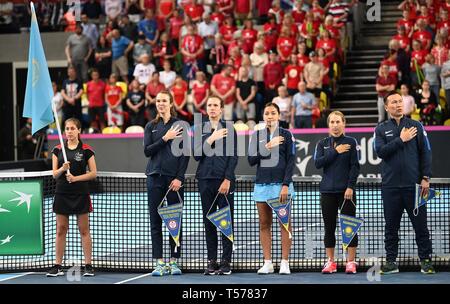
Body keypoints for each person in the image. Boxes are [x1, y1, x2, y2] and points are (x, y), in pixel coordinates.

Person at [374, 91, 435, 275]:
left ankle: (425, 261)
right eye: (393, 102)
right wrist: (401, 139)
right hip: (390, 187)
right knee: (391, 228)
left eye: (400, 101)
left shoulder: (416, 126)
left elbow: (426, 153)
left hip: (414, 187)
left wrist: (425, 178)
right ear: (386, 107)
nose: (398, 104)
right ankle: (391, 262)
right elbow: (381, 152)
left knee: (421, 227)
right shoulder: (380, 129)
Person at [144, 91, 190, 276]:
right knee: (155, 222)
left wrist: (179, 178)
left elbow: (185, 155)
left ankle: (174, 261)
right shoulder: (150, 126)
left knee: (174, 222)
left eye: (164, 101)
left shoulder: (181, 125)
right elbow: (147, 151)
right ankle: (159, 262)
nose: (161, 104)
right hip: (154, 178)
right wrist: (165, 138)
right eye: (158, 101)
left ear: (171, 103)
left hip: (174, 181)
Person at [248, 102, 296, 275]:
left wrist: (285, 185)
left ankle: (284, 262)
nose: (270, 116)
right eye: (267, 113)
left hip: (281, 187)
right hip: (262, 186)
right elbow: (251, 160)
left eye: (273, 113)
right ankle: (267, 263)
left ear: (278, 115)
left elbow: (291, 161)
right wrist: (268, 146)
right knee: (264, 224)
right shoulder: (257, 135)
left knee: (285, 225)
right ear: (263, 116)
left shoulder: (287, 135)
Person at [193, 96, 238, 275]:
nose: (212, 108)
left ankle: (226, 262)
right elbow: (197, 155)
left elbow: (233, 156)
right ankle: (212, 261)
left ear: (221, 109)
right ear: (206, 108)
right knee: (209, 221)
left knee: (226, 222)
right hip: (205, 180)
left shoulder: (229, 129)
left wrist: (227, 179)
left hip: (224, 182)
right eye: (209, 105)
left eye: (215, 105)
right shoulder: (199, 129)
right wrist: (211, 138)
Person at [47, 118, 97, 277]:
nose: (69, 131)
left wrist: (76, 178)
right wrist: (63, 168)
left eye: (72, 128)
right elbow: (55, 174)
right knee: (61, 230)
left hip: (81, 193)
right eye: (67, 128)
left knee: (84, 230)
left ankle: (88, 265)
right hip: (62, 193)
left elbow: (93, 173)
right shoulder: (57, 149)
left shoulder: (86, 149)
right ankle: (57, 265)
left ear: (79, 130)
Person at [314, 111, 360, 274]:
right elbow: (318, 163)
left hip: (346, 192)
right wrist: (335, 151)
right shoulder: (322, 144)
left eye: (337, 122)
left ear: (343, 123)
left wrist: (350, 187)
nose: (335, 125)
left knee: (349, 227)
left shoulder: (351, 142)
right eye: (332, 122)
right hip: (327, 192)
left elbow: (355, 167)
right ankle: (331, 262)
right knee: (329, 227)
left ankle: (351, 262)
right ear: (329, 125)